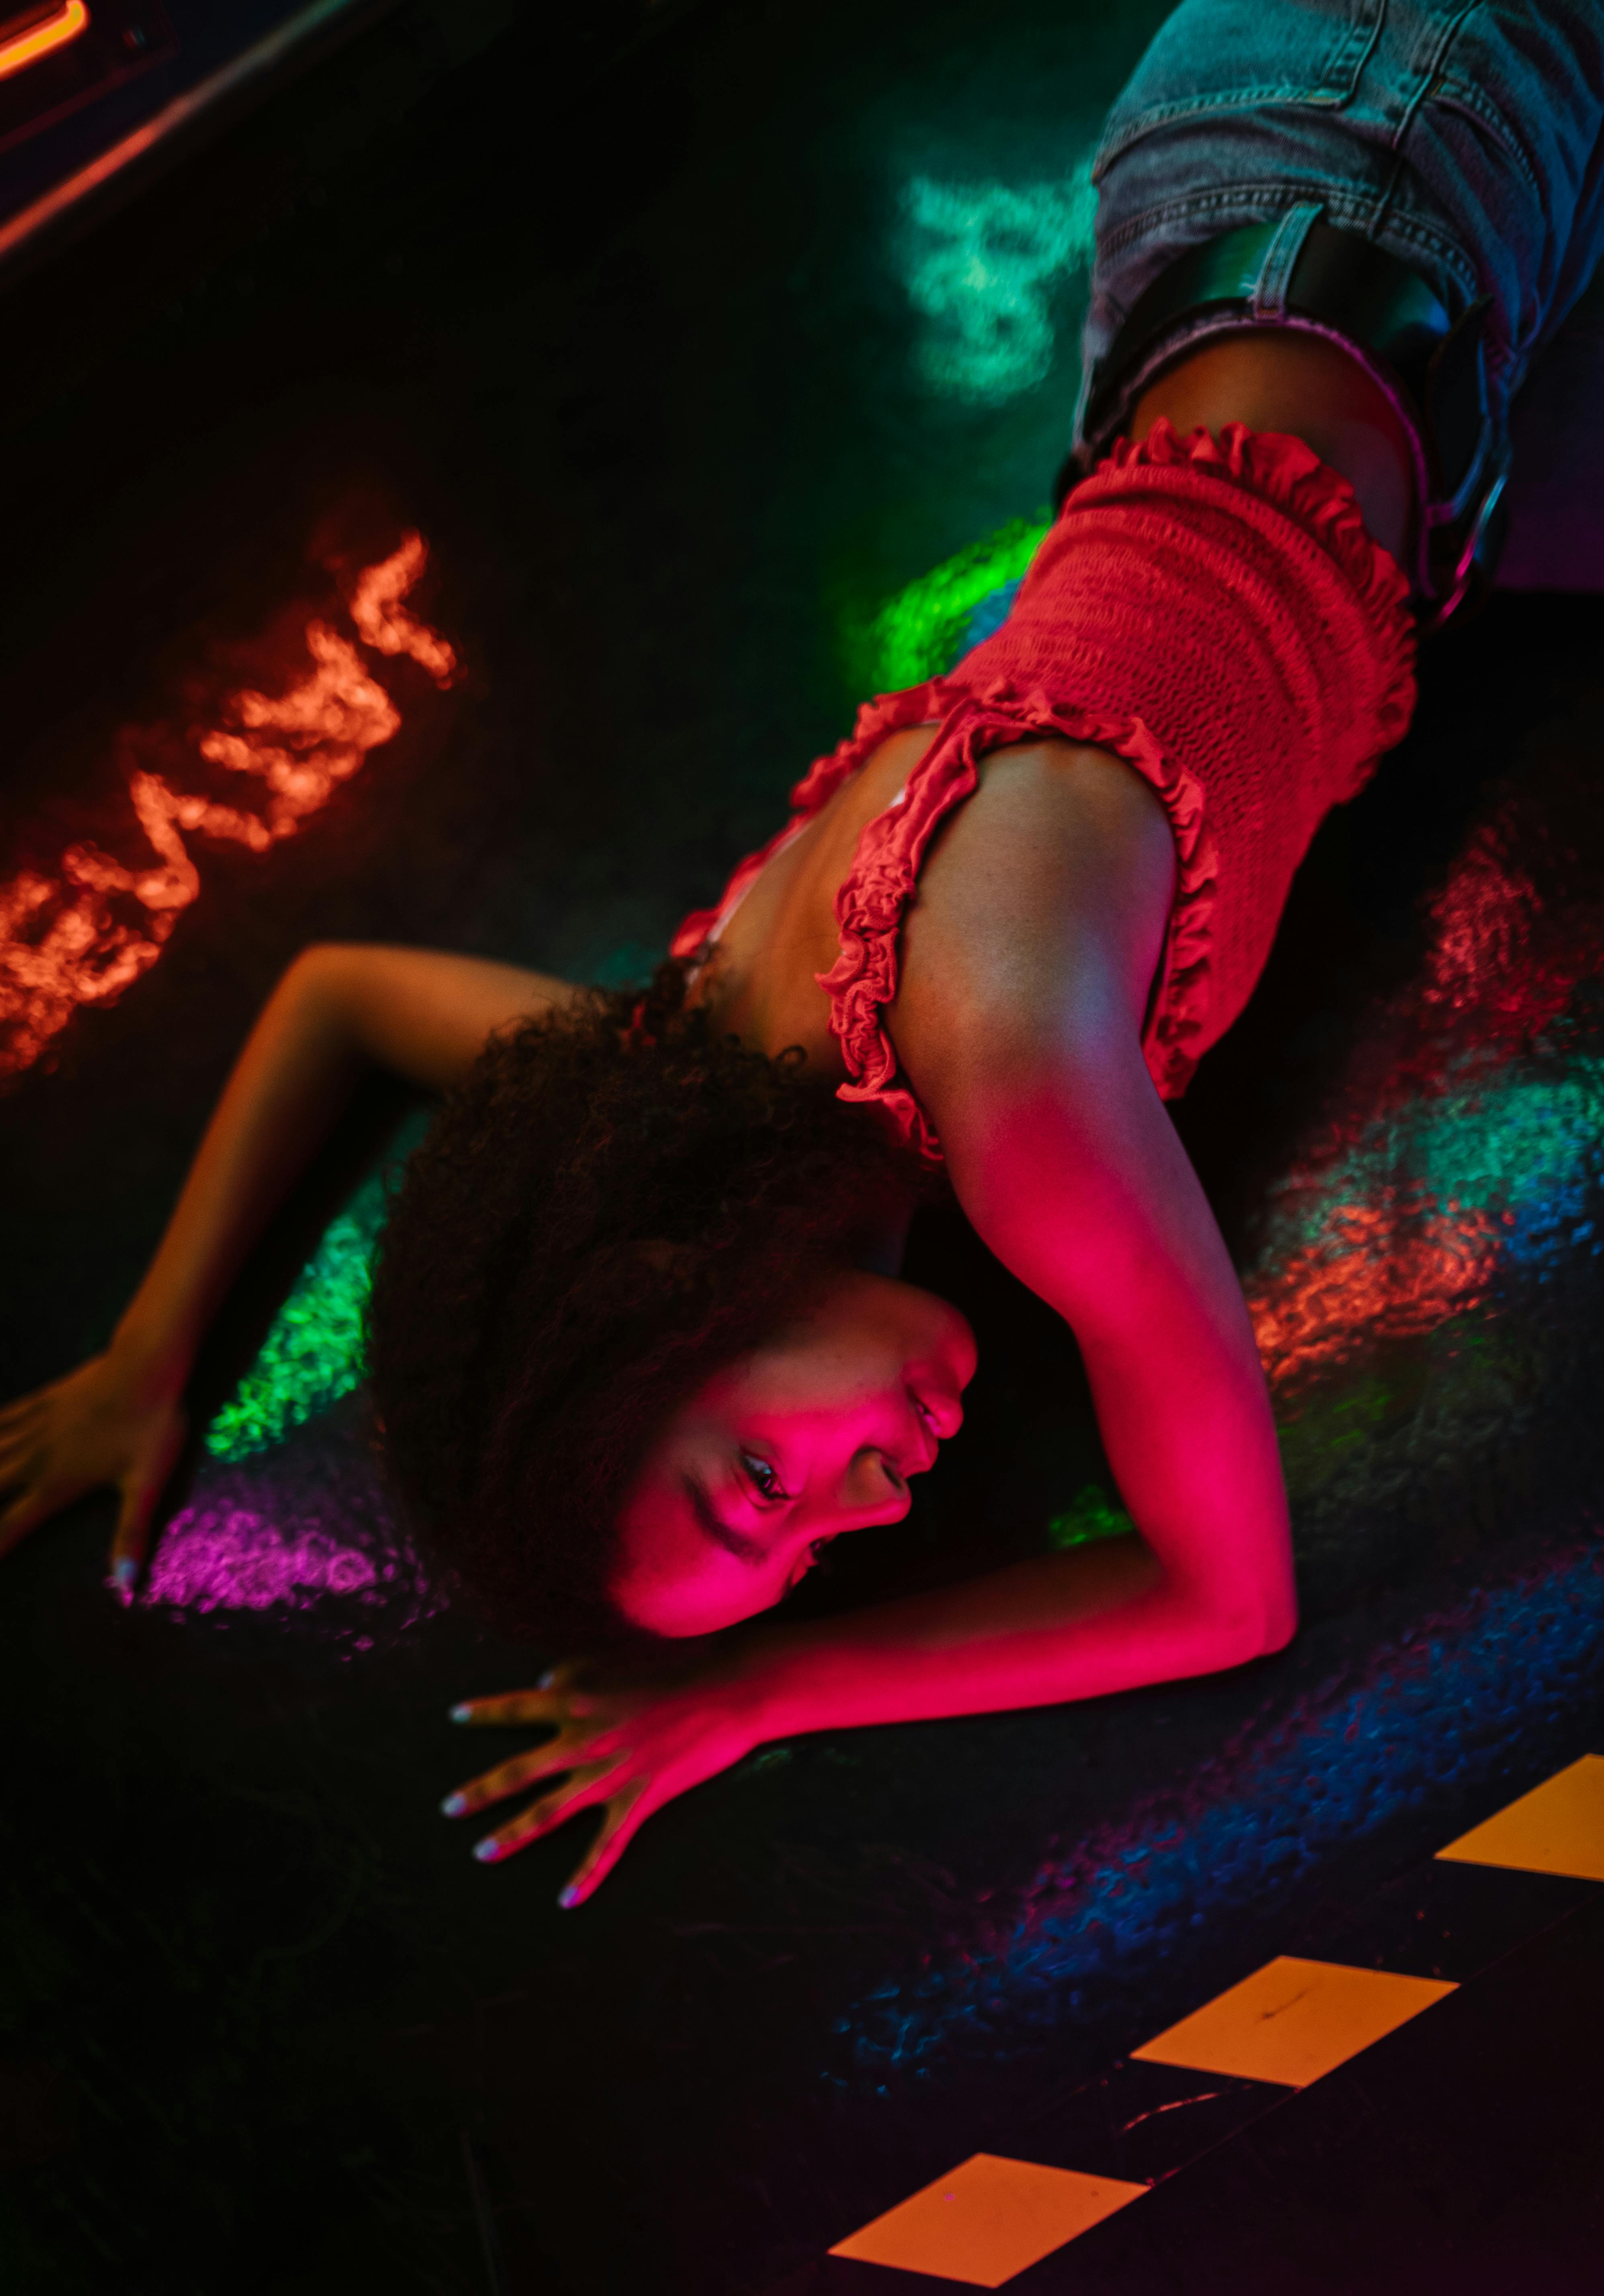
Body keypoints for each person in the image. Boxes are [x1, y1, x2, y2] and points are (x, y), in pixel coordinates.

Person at [3, 0, 1600, 1907]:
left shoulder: (1009, 1085)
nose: (868, 1499)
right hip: (1296, 306)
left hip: (1392, 142)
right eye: (807, 1551)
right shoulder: (695, 1050)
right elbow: (337, 1000)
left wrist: (760, 1691)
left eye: (754, 1486)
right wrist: (147, 1354)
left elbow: (1221, 1596)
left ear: (649, 1306)